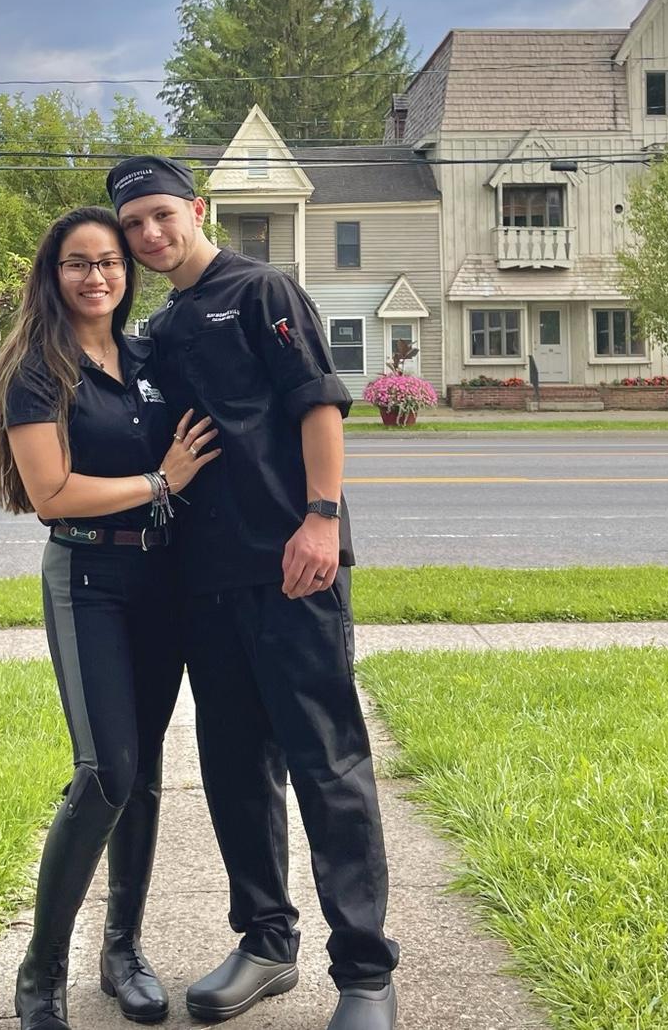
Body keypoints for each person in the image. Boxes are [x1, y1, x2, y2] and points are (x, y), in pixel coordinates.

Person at [107, 157, 399, 1030]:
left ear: (196, 210)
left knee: (327, 764)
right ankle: (266, 943)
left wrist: (320, 519)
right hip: (206, 583)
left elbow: (317, 405)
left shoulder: (263, 289)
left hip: (291, 569)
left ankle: (365, 974)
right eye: (134, 226)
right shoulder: (161, 327)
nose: (150, 235)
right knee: (236, 769)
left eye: (163, 215)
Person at [0, 204, 220, 1030]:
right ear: (55, 273)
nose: (97, 276)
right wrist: (161, 484)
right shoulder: (37, 370)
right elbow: (52, 492)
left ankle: (124, 950)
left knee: (143, 771)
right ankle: (41, 973)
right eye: (79, 263)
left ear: (129, 272)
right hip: (89, 577)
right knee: (105, 771)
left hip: (162, 579)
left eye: (110, 262)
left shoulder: (146, 354)